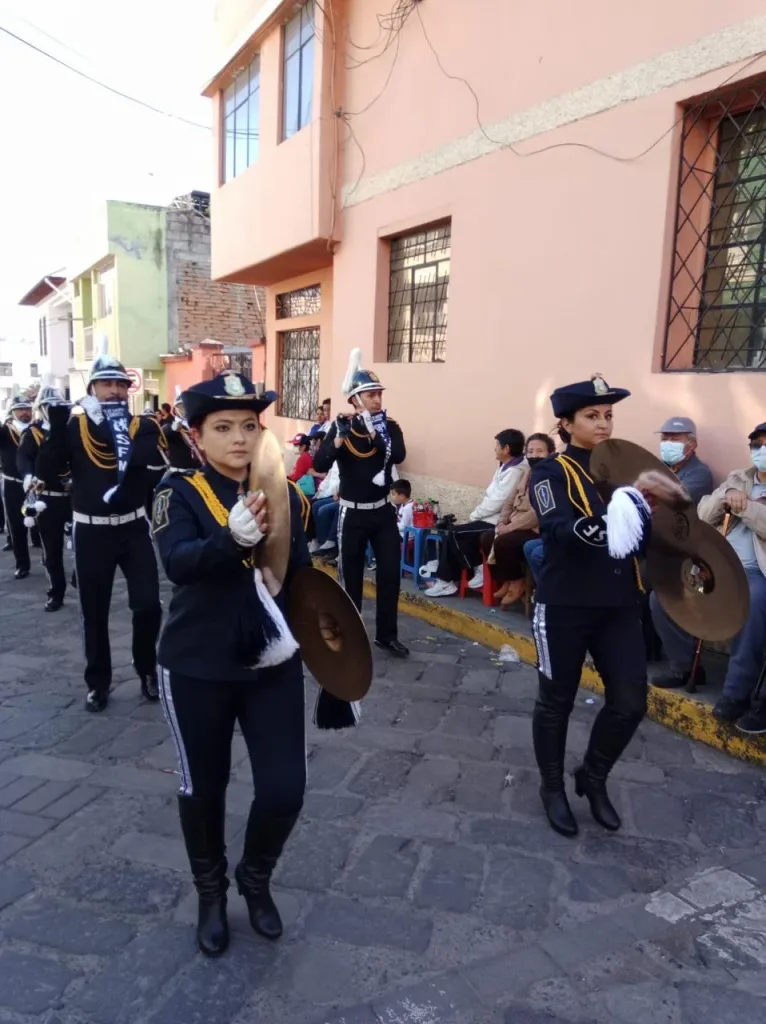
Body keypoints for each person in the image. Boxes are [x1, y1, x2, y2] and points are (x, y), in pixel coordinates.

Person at [152, 371, 318, 957]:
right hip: (198, 663)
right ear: (197, 436)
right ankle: (211, 893)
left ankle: (255, 877)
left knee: (285, 789)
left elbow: (302, 579)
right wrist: (230, 539)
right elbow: (178, 562)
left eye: (249, 425)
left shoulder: (284, 494)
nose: (240, 438)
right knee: (205, 788)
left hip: (272, 662)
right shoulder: (177, 492)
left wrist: (335, 656)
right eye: (223, 427)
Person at [528, 374, 668, 838]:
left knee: (630, 702)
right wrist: (616, 518)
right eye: (592, 416)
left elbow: (646, 539)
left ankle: (593, 775)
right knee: (556, 703)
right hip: (565, 605)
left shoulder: (627, 473)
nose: (604, 424)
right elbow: (558, 528)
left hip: (619, 604)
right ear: (566, 425)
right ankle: (552, 787)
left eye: (608, 415)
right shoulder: (551, 472)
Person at [36, 349, 164, 712]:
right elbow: (47, 470)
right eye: (106, 384)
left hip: (133, 528)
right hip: (91, 532)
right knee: (93, 611)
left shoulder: (142, 426)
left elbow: (141, 460)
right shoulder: (74, 428)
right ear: (92, 389)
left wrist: (108, 424)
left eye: (120, 384)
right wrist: (57, 428)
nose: (115, 391)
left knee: (148, 605)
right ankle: (98, 682)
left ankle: (146, 667)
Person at [313, 348, 408, 658]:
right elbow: (320, 463)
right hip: (351, 515)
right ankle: (352, 636)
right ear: (355, 399)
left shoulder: (389, 427)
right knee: (350, 578)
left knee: (390, 575)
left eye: (379, 394)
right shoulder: (342, 428)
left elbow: (398, 455)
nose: (377, 400)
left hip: (382, 513)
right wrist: (338, 439)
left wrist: (375, 435)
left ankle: (387, 636)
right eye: (370, 395)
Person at [697, 422, 766, 735]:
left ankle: (735, 694)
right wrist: (726, 495)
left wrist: (745, 507)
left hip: (755, 573)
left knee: (752, 603)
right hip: (719, 566)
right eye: (757, 445)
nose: (761, 451)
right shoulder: (738, 477)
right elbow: (702, 515)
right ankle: (685, 667)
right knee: (663, 597)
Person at [425, 429, 527, 597]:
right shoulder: (506, 466)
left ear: (506, 448)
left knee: (455, 534)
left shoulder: (515, 471)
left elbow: (497, 502)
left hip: (495, 521)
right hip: (487, 517)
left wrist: (475, 515)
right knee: (452, 534)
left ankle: (477, 568)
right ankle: (446, 581)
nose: (494, 449)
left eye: (497, 445)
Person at [481, 433, 554, 607]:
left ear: (550, 453)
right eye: (530, 451)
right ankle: (506, 580)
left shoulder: (551, 477)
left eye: (540, 451)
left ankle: (517, 581)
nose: (534, 455)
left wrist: (510, 527)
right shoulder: (527, 473)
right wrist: (502, 521)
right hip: (515, 522)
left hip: (534, 528)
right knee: (487, 537)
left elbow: (538, 512)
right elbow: (509, 500)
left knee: (504, 542)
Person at [17, 378, 72, 611]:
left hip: (74, 496)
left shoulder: (73, 430)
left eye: (56, 406)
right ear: (41, 409)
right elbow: (23, 457)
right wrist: (28, 475)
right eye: (48, 406)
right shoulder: (34, 433)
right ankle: (56, 592)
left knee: (85, 544)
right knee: (52, 550)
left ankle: (81, 577)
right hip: (47, 498)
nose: (53, 411)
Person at [0, 387, 34, 579]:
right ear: (13, 412)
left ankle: (47, 557)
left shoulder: (37, 429)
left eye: (27, 409)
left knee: (43, 524)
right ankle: (22, 564)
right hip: (13, 484)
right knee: (16, 526)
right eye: (20, 409)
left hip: (35, 484)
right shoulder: (6, 431)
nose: (24, 413)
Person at [162, 386, 202, 472]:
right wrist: (173, 428)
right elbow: (166, 432)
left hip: (197, 470)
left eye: (186, 407)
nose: (184, 410)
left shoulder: (195, 425)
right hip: (179, 471)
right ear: (175, 410)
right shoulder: (172, 426)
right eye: (180, 407)